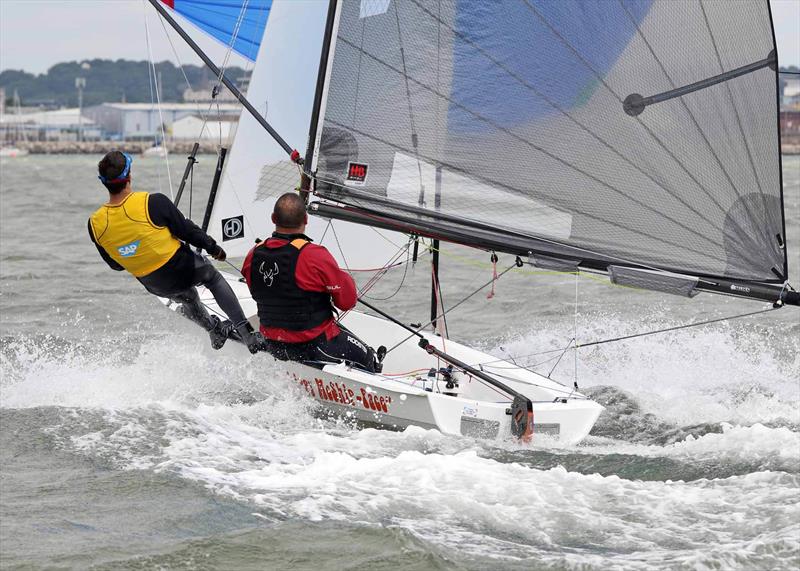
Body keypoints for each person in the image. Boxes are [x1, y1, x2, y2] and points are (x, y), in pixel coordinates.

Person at [88, 150, 259, 352]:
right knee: (212, 277)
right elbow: (187, 231)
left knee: (187, 297)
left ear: (104, 182)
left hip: (154, 283)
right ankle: (247, 333)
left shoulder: (95, 223)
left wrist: (136, 250)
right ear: (129, 176)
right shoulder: (151, 202)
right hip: (182, 267)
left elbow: (115, 265)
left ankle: (213, 328)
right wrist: (214, 248)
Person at [242, 192, 382, 372]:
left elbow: (260, 291)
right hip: (311, 346)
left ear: (273, 218)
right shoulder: (315, 255)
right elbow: (347, 302)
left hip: (272, 343)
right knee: (369, 358)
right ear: (306, 219)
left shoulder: (253, 254)